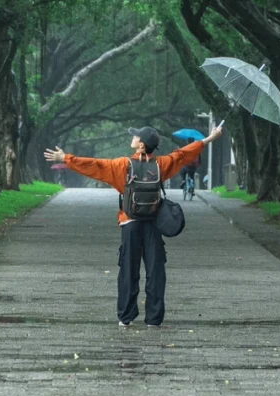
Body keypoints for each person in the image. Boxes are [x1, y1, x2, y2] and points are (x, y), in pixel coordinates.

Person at [44, 123, 222, 328]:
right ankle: (154, 319)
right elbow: (183, 154)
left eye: (136, 137)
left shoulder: (122, 165)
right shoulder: (162, 164)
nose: (133, 138)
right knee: (156, 270)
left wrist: (66, 158)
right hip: (154, 223)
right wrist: (209, 138)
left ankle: (126, 316)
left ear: (141, 145)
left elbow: (95, 165)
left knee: (129, 269)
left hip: (130, 223)